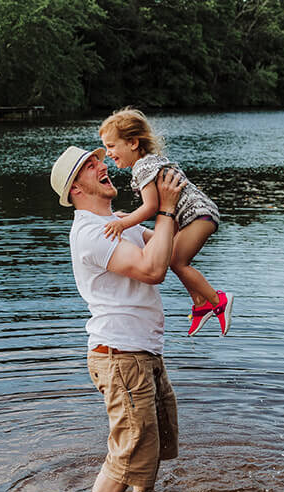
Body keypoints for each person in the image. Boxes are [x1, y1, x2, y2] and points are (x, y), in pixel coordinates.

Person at [50, 143, 187, 492]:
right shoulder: (92, 233)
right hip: (119, 354)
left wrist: (174, 205)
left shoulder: (119, 222)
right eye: (90, 166)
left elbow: (171, 249)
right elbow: (152, 268)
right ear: (76, 189)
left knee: (156, 436)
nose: (102, 164)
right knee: (131, 443)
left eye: (99, 158)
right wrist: (163, 209)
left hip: (142, 350)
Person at [96, 107, 232, 337]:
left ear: (132, 143)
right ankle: (201, 303)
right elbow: (160, 206)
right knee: (171, 259)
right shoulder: (148, 163)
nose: (108, 152)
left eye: (111, 146)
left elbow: (150, 207)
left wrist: (123, 223)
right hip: (193, 215)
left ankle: (217, 299)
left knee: (178, 263)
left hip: (198, 215)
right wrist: (129, 220)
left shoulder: (142, 167)